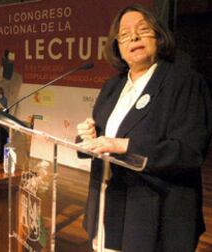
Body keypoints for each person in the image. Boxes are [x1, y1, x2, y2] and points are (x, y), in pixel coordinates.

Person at [76, 4, 212, 252]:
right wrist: (88, 136)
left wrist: (124, 146)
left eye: (142, 30)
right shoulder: (112, 87)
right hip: (109, 207)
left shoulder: (184, 81)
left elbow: (189, 151)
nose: (134, 38)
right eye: (125, 35)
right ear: (118, 46)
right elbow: (102, 138)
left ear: (158, 36)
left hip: (156, 217)